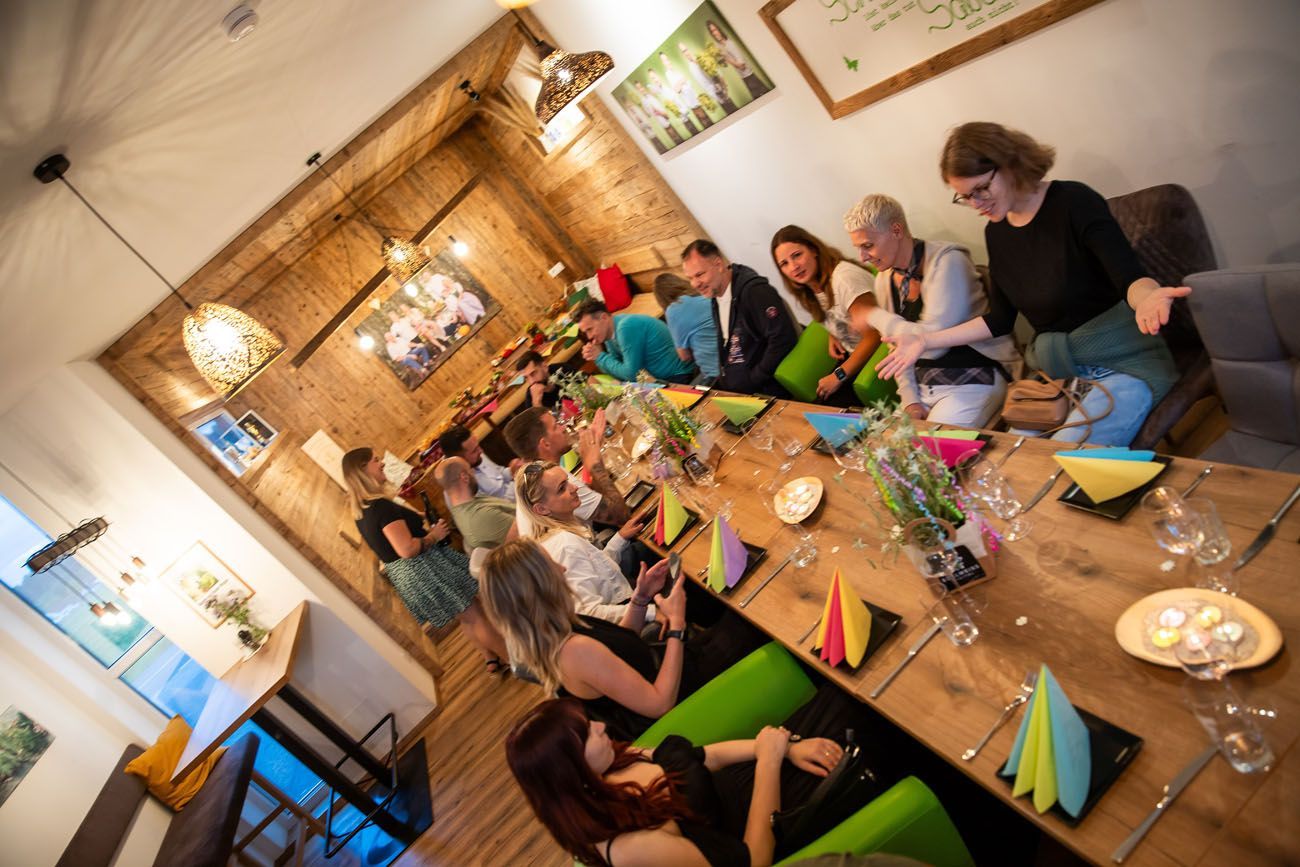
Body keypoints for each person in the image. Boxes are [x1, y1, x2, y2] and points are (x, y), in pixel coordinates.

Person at [876, 122, 1184, 445]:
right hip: (1060, 371)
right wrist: (925, 340)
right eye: (965, 197)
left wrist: (1147, 297)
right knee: (1017, 455)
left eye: (981, 189)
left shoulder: (1074, 202)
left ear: (1010, 164)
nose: (976, 204)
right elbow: (1000, 320)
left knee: (1064, 457)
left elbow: (1130, 278)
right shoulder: (997, 232)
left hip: (1121, 361)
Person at [505, 690, 876, 867]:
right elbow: (752, 860)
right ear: (570, 771)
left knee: (842, 699)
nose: (601, 727)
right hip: (770, 827)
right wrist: (769, 761)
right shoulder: (629, 848)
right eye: (588, 732)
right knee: (866, 725)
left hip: (756, 781)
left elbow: (705, 757)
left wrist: (788, 748)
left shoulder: (609, 764)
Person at [481, 538, 763, 741]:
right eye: (551, 564)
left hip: (676, 670)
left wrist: (640, 599)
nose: (562, 569)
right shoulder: (574, 652)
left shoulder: (556, 630)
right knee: (753, 617)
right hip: (687, 699)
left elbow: (618, 646)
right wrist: (677, 625)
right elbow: (659, 703)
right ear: (539, 585)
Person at [843, 195, 1021, 427]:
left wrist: (873, 314)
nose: (862, 257)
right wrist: (910, 400)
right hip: (926, 385)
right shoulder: (884, 279)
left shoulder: (948, 261)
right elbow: (898, 347)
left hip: (976, 376)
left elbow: (933, 345)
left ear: (896, 230)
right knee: (889, 444)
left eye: (868, 246)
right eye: (858, 248)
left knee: (929, 446)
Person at [341, 447, 508, 674]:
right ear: (363, 470)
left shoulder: (362, 511)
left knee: (465, 616)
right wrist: (434, 536)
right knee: (475, 614)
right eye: (375, 460)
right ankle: (516, 661)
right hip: (425, 568)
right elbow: (407, 549)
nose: (382, 463)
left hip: (409, 577)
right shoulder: (380, 507)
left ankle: (490, 657)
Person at [514, 461, 656, 625]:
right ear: (542, 509)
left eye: (567, 481)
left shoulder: (557, 535)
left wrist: (620, 538)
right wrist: (649, 611)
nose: (574, 488)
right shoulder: (566, 545)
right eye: (562, 489)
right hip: (625, 619)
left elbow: (597, 570)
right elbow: (589, 613)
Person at [769, 225, 880, 404]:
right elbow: (837, 311)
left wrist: (839, 375)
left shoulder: (844, 279)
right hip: (853, 354)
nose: (794, 267)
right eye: (784, 263)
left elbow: (875, 335)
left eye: (797, 255)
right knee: (816, 406)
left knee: (830, 409)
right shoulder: (810, 287)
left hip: (877, 355)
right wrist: (834, 333)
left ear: (813, 250)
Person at [682, 239, 797, 397]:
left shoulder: (754, 291)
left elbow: (783, 338)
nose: (695, 284)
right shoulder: (715, 296)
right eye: (690, 278)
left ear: (719, 264)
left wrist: (755, 378)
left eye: (699, 274)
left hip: (768, 393)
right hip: (739, 392)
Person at [503, 406, 630, 529]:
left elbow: (596, 496)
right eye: (556, 426)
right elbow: (621, 516)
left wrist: (593, 450)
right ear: (545, 444)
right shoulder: (549, 481)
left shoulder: (537, 473)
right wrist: (594, 464)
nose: (563, 427)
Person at [574, 299, 696, 384]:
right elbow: (619, 375)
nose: (589, 336)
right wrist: (598, 357)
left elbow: (632, 375)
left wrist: (600, 357)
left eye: (590, 329)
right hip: (663, 379)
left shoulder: (625, 327)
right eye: (586, 332)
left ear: (604, 318)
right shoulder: (608, 334)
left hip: (680, 375)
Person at [435, 457, 517, 551]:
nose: (473, 472)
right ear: (465, 477)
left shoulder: (471, 501)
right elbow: (525, 531)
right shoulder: (480, 516)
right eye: (470, 469)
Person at [653, 273, 720, 381]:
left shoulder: (673, 310)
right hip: (734, 359)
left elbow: (684, 356)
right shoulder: (702, 295)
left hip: (715, 371)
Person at [437, 424, 518, 502]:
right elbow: (500, 506)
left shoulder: (476, 455)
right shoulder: (461, 485)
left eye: (478, 446)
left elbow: (499, 474)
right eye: (474, 451)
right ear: (458, 459)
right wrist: (519, 484)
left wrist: (512, 470)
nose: (481, 451)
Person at [707, 18, 770, 101]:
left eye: (715, 30)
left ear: (719, 30)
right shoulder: (723, 46)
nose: (714, 33)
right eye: (712, 32)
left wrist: (725, 58)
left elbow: (742, 66)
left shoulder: (730, 44)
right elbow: (726, 63)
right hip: (745, 78)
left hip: (750, 77)